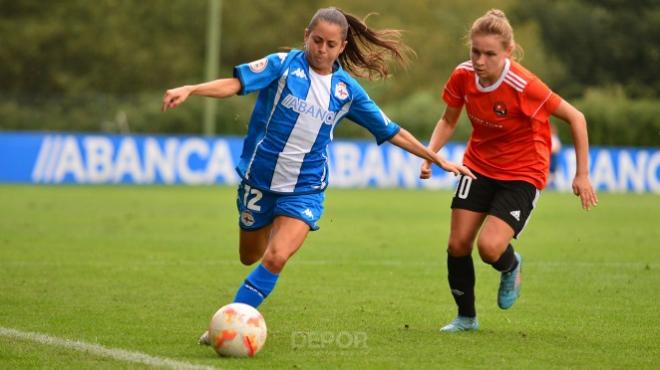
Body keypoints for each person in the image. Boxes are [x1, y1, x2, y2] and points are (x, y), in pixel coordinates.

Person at [162, 7, 475, 344]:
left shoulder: (346, 91)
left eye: (330, 44)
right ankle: (267, 238)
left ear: (341, 47)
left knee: (277, 256)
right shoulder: (282, 66)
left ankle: (226, 327)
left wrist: (435, 158)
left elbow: (391, 130)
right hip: (259, 181)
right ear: (306, 36)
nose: (321, 50)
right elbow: (235, 84)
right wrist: (192, 89)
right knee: (249, 256)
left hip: (305, 189)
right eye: (317, 41)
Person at [419, 9, 598, 332]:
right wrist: (430, 154)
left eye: (490, 54)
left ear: (508, 53)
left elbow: (577, 118)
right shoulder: (462, 76)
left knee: (490, 248)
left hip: (522, 172)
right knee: (458, 244)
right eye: (475, 51)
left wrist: (581, 174)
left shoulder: (523, 84)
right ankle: (466, 318)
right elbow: (448, 120)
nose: (480, 60)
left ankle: (511, 265)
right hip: (478, 166)